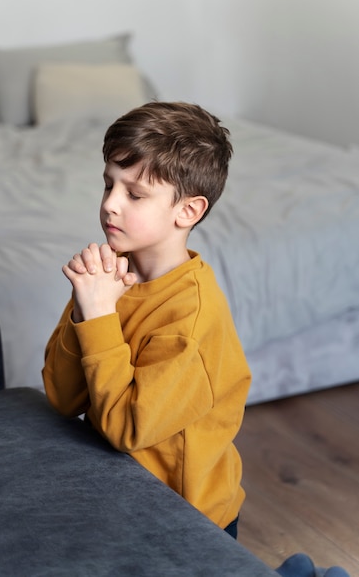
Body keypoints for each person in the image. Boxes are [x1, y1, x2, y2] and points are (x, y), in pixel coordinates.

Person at [42, 101, 251, 538]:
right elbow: (64, 400)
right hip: (118, 488)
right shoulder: (108, 275)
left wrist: (98, 314)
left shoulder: (190, 319)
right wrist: (86, 305)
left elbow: (125, 429)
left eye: (134, 194)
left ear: (188, 211)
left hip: (189, 518)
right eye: (108, 185)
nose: (110, 206)